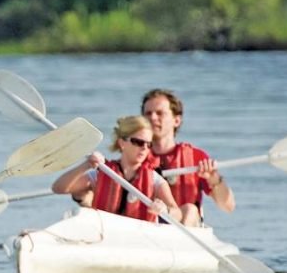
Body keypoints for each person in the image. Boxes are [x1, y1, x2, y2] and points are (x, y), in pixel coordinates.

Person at [52, 115, 182, 223]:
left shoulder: (154, 180)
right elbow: (59, 188)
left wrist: (165, 210)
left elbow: (177, 213)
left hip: (140, 239)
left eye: (149, 144)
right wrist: (85, 165)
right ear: (122, 143)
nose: (144, 148)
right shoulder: (102, 174)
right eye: (138, 142)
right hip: (106, 236)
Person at [141, 89, 235, 226]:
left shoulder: (196, 158)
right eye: (148, 113)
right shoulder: (135, 155)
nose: (153, 118)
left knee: (190, 210)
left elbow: (228, 206)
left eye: (160, 113)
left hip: (186, 226)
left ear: (176, 120)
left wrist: (214, 179)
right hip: (148, 225)